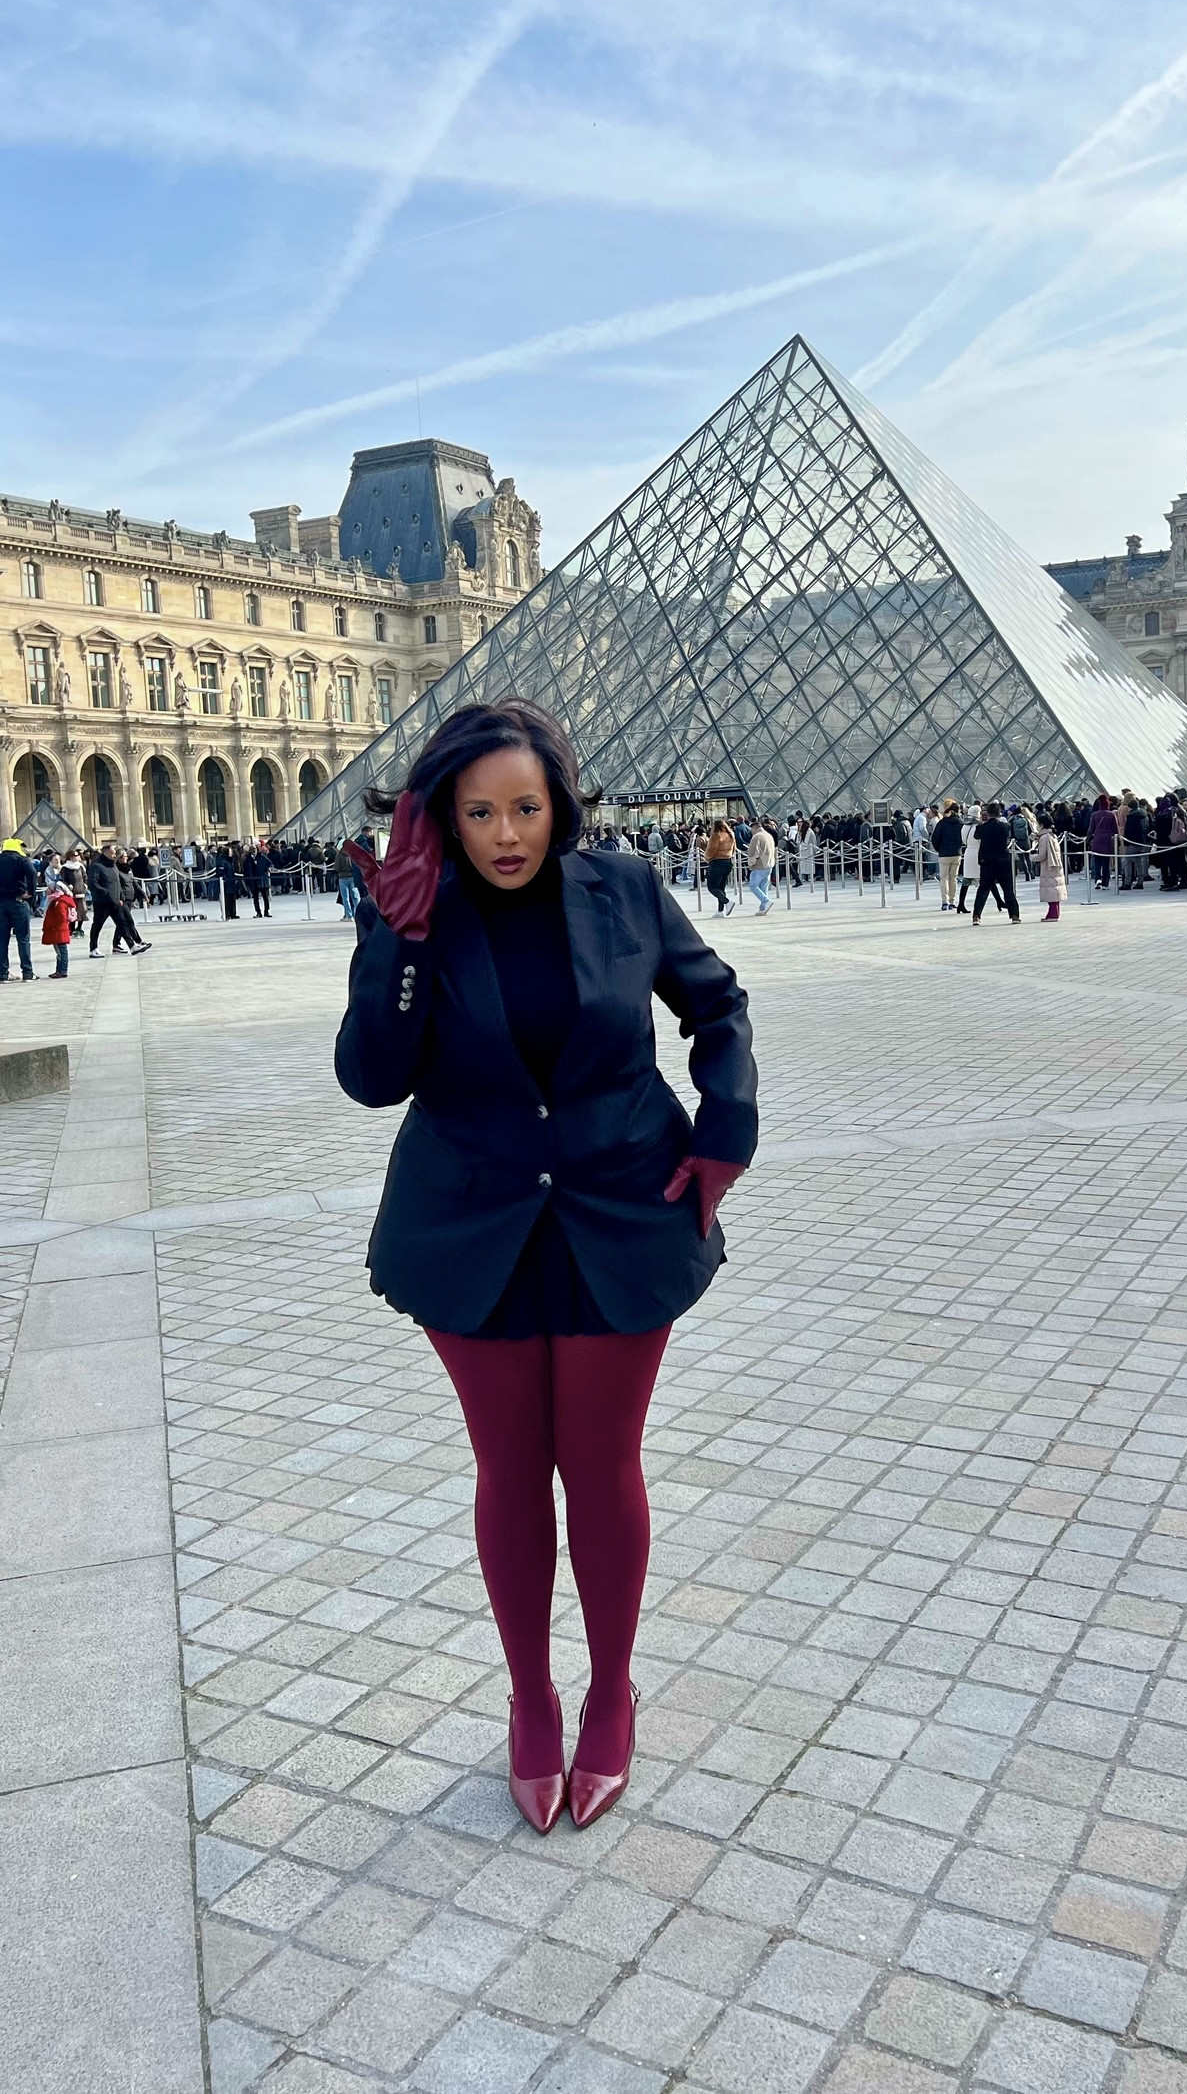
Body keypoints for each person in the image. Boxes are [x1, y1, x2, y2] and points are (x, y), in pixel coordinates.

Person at [336, 699, 757, 1835]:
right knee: (511, 1468)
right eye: (480, 811)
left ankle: (611, 1689)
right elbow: (373, 1076)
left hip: (622, 1206)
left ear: (559, 800)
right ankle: (531, 1697)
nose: (506, 831)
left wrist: (726, 1129)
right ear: (446, 816)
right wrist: (402, 946)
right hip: (473, 1223)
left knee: (603, 1459)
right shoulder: (415, 911)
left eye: (525, 805)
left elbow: (718, 1005)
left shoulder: (621, 886)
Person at [972, 802, 1020, 924]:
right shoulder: (1005, 826)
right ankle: (1014, 915)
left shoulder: (981, 827)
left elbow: (976, 836)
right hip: (1002, 861)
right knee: (1008, 889)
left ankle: (976, 916)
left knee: (983, 889)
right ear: (999, 813)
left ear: (988, 813)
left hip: (987, 861)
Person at [0, 837, 38, 981]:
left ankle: (2, 974)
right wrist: (31, 893)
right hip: (18, 901)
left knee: (2, 940)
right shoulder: (21, 860)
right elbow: (33, 873)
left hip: (1, 903)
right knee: (23, 939)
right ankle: (27, 973)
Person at [1034, 813, 1067, 923]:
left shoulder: (1044, 837)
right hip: (1055, 866)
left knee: (1051, 890)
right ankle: (1054, 913)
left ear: (1042, 824)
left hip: (1049, 867)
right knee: (1055, 890)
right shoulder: (1052, 835)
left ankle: (1052, 914)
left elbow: (1042, 855)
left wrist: (1031, 857)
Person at [931, 801, 963, 910]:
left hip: (944, 853)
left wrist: (939, 849)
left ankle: (945, 902)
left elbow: (935, 838)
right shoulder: (960, 823)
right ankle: (952, 901)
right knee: (953, 878)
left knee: (943, 878)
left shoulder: (942, 823)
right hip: (956, 853)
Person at [42, 879, 75, 977]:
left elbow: (61, 917)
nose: (47, 890)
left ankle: (63, 970)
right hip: (57, 930)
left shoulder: (59, 901)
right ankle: (59, 970)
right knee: (59, 952)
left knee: (62, 951)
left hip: (59, 930)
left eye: (49, 888)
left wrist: (52, 925)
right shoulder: (55, 900)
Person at [956, 804, 982, 916]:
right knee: (985, 880)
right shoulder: (978, 827)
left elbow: (963, 840)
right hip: (977, 852)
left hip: (968, 853)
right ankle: (999, 901)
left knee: (966, 881)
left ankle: (961, 903)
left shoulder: (964, 826)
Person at [705, 820, 736, 915]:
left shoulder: (716, 835)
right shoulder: (731, 834)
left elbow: (711, 850)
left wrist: (707, 858)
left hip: (717, 862)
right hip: (728, 861)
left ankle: (727, 902)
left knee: (712, 887)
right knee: (721, 888)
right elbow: (734, 848)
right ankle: (720, 910)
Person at [746, 819, 775, 913]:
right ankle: (763, 908)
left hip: (760, 865)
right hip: (769, 864)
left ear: (753, 828)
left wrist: (750, 863)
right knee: (764, 887)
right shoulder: (768, 835)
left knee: (753, 885)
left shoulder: (756, 837)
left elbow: (753, 852)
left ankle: (766, 901)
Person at [243, 841, 273, 917]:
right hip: (254, 881)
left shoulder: (262, 856)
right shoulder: (247, 859)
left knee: (265, 897)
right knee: (255, 898)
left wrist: (268, 868)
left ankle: (266, 911)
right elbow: (245, 870)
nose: (254, 850)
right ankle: (258, 912)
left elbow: (270, 863)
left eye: (255, 848)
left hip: (262, 879)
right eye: (252, 849)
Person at [335, 842, 361, 918]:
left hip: (342, 878)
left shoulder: (339, 855)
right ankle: (358, 914)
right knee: (355, 897)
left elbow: (337, 867)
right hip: (352, 877)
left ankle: (349, 915)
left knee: (345, 898)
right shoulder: (352, 854)